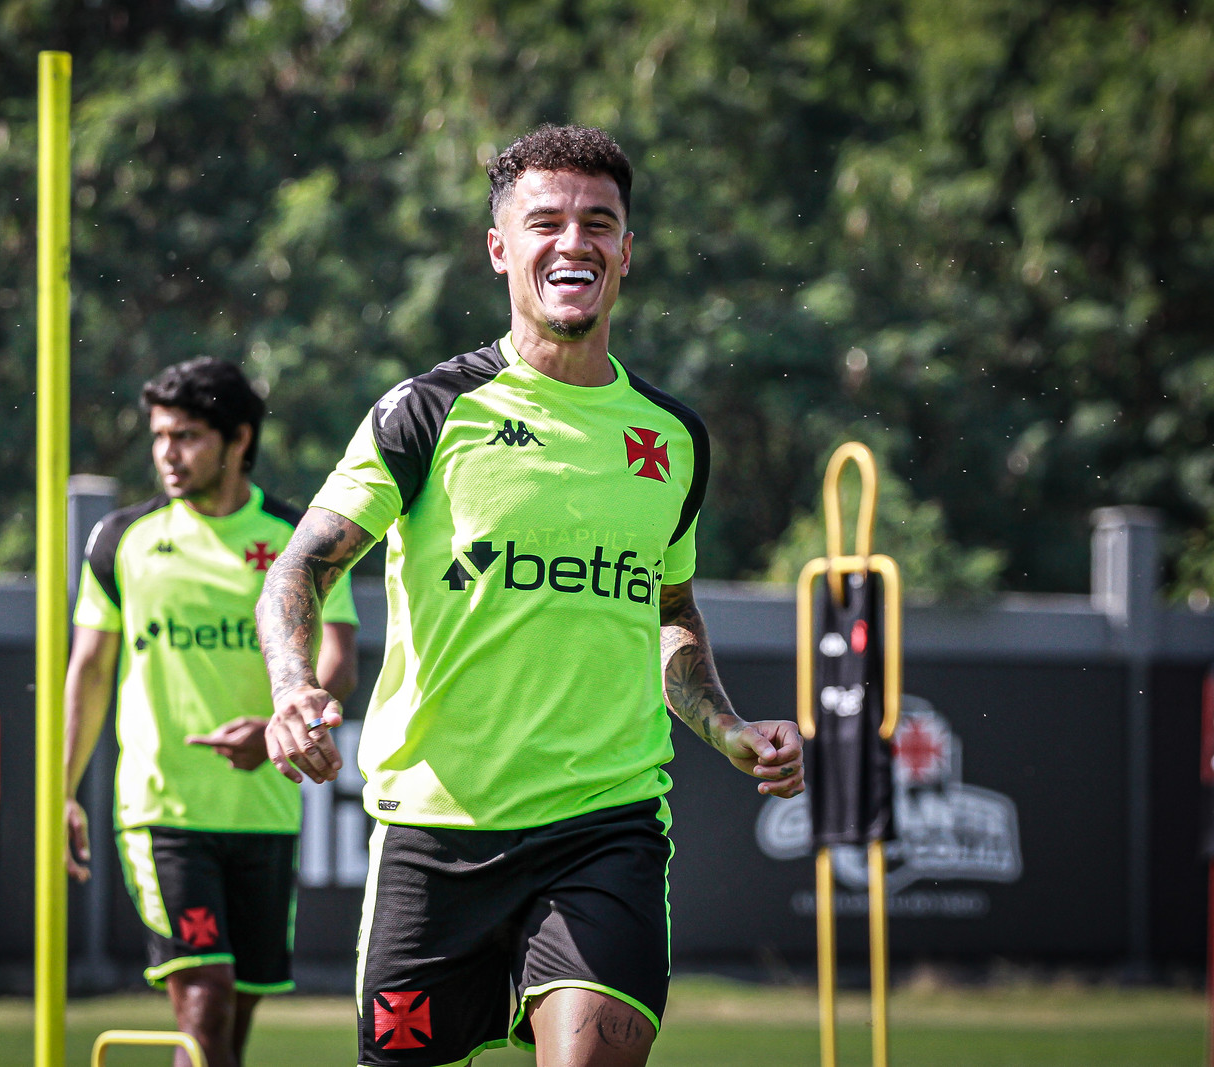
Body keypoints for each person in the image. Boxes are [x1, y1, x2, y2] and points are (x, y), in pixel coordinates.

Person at [254, 125, 805, 1067]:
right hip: (433, 837)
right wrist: (292, 686)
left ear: (628, 250)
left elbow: (668, 614)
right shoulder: (426, 413)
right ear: (500, 246)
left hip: (606, 829)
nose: (574, 242)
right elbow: (299, 568)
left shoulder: (673, 439)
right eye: (545, 221)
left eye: (600, 222)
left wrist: (726, 727)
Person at [64, 357, 359, 1067]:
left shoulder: (299, 540)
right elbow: (90, 669)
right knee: (205, 1000)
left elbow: (339, 661)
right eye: (160, 435)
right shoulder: (121, 542)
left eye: (188, 435)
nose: (167, 452)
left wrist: (279, 732)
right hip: (164, 811)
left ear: (238, 441)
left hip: (266, 811)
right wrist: (63, 790)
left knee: (226, 1026)